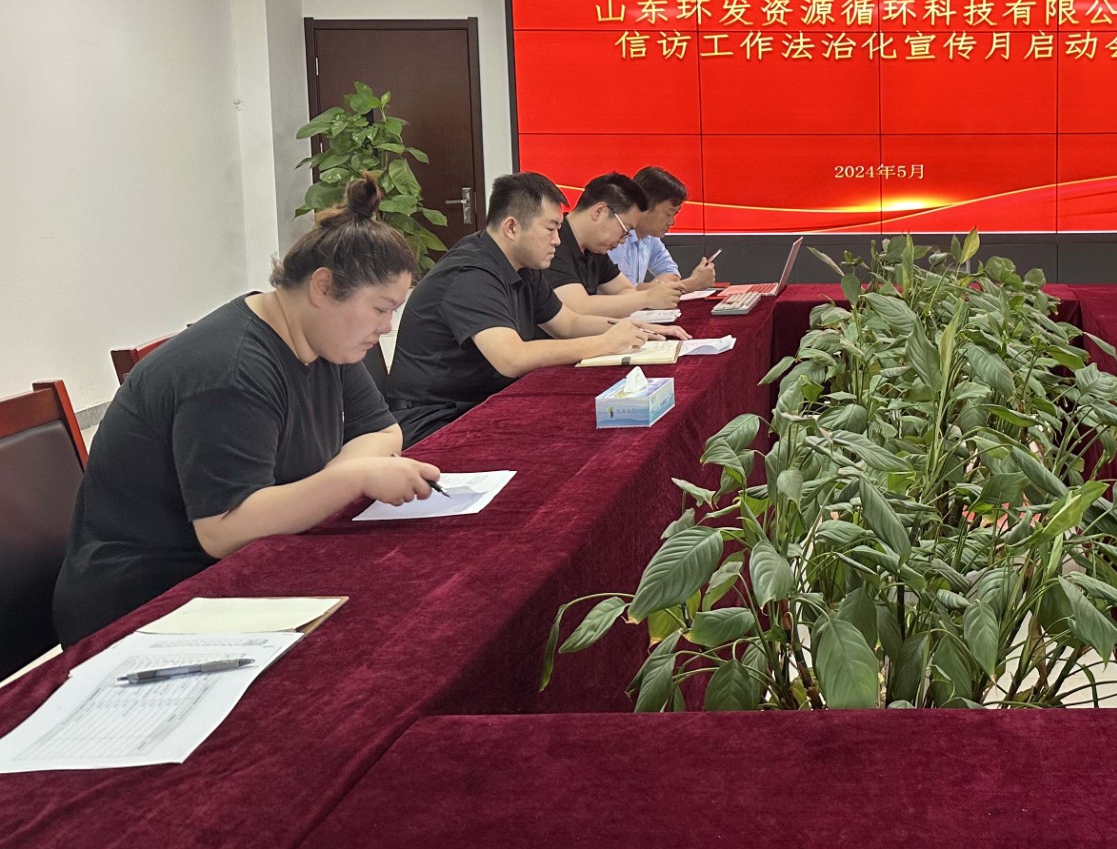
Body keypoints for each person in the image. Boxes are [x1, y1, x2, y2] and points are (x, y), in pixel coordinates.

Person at [52, 175, 440, 645]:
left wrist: (329, 483)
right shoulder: (231, 370)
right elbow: (224, 529)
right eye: (380, 309)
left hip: (241, 566)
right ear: (323, 287)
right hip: (146, 601)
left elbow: (381, 432)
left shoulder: (322, 340)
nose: (387, 326)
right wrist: (352, 480)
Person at [385, 172, 668, 444]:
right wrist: (604, 343)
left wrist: (632, 329)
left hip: (482, 402)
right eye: (550, 229)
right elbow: (512, 358)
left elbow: (567, 323)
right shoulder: (470, 274)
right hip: (435, 420)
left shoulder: (523, 265)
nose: (557, 240)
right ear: (511, 227)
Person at [546, 173, 688, 316]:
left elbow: (625, 290)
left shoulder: (594, 248)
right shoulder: (554, 242)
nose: (623, 240)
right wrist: (647, 298)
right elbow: (579, 308)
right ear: (599, 211)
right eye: (625, 230)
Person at [608, 165, 717, 294]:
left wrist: (657, 289)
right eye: (668, 214)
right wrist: (691, 284)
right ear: (645, 206)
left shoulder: (650, 236)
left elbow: (670, 271)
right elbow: (623, 293)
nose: (672, 222)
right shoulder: (614, 239)